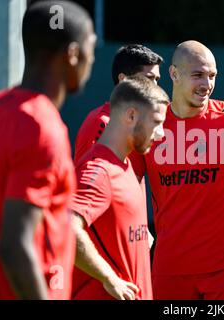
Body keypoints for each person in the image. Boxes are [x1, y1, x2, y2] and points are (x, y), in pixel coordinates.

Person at [130, 40, 224, 300]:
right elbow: (127, 184)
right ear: (174, 74)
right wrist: (138, 232)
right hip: (170, 268)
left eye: (212, 76)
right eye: (198, 75)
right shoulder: (149, 124)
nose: (207, 84)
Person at [0, 1, 96, 299]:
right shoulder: (42, 128)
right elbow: (15, 245)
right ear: (72, 54)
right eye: (90, 48)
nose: (91, 59)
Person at [70, 77, 169, 300]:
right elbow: (66, 228)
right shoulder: (99, 169)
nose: (161, 134)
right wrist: (109, 278)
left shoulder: (125, 166)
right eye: (156, 121)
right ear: (131, 115)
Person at [74, 44, 163, 162]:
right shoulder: (101, 123)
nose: (155, 87)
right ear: (124, 80)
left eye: (156, 79)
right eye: (149, 78)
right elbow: (88, 177)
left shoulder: (136, 124)